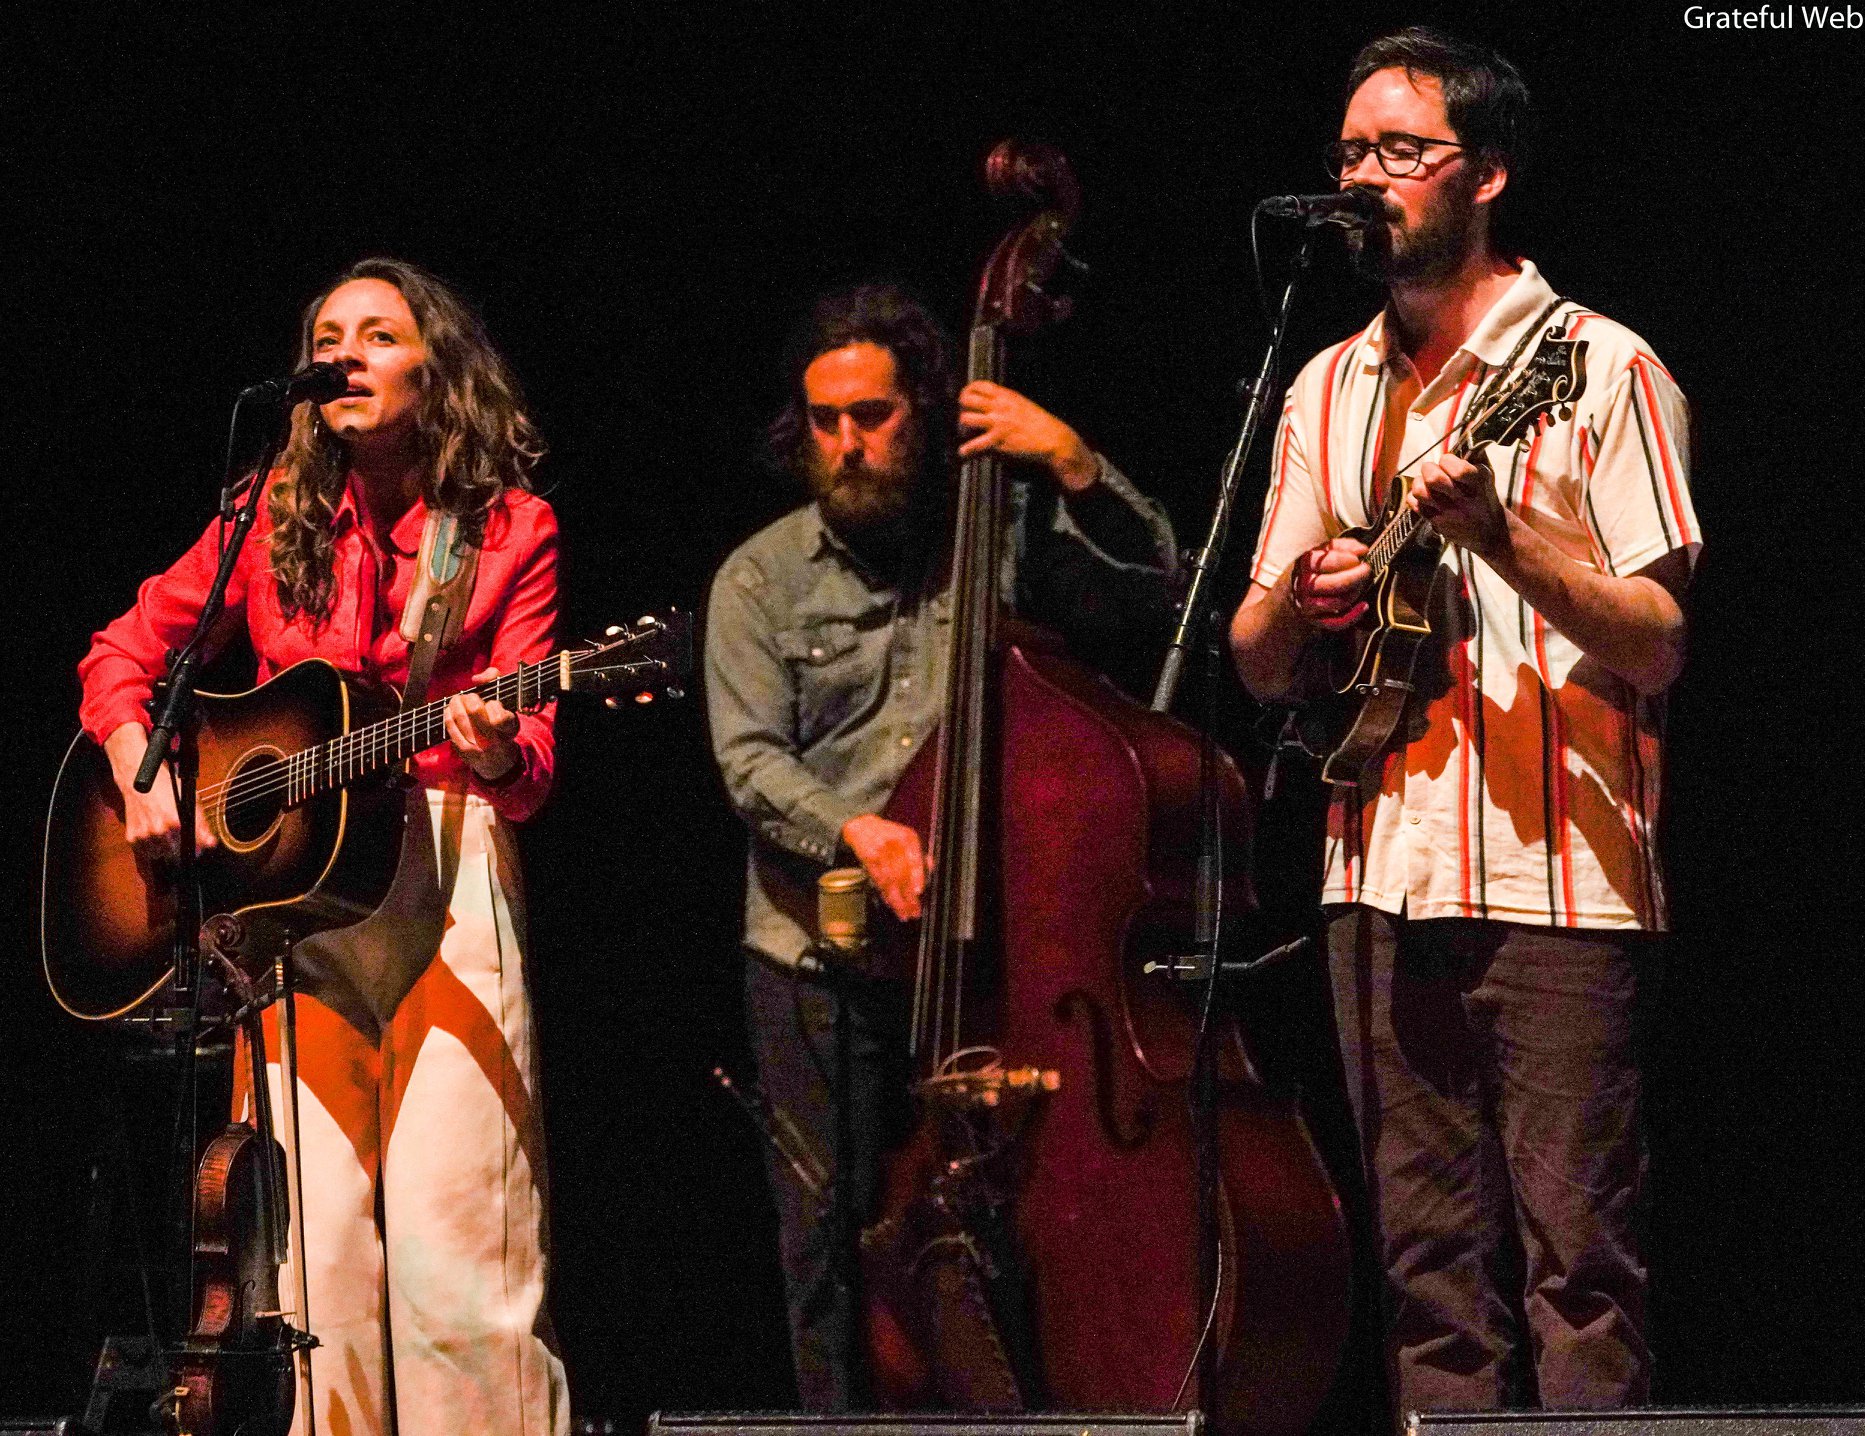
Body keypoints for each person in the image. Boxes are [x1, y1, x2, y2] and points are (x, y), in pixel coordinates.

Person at [1229, 27, 1700, 1416]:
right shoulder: (1325, 383)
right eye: (1349, 152)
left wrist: (1507, 542)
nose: (1364, 176)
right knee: (1424, 1275)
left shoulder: (1600, 366)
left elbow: (1660, 642)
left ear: (1484, 172)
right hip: (1374, 874)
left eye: (1399, 150)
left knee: (1580, 1271)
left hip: (1560, 881)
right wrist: (1307, 610)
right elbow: (1256, 659)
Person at [78, 257, 569, 1434]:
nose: (346, 351)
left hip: (443, 876)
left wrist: (496, 747)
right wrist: (140, 766)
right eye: (328, 334)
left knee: (459, 1261)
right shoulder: (267, 517)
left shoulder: (506, 527)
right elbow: (118, 650)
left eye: (378, 333)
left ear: (433, 366)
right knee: (313, 1274)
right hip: (293, 906)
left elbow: (535, 760)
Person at [705, 282, 1176, 1408]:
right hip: (817, 960)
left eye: (871, 414)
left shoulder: (996, 532)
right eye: (824, 421)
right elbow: (749, 759)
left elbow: (1155, 590)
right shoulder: (759, 579)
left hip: (989, 953)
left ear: (923, 408)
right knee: (829, 1239)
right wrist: (854, 829)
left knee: (1019, 1216)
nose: (847, 443)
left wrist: (1067, 458)